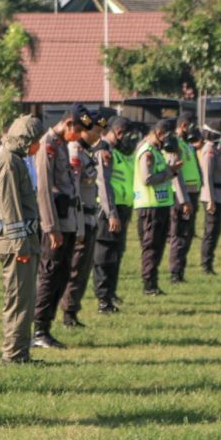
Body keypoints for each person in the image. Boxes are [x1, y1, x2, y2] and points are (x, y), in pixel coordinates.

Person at [32, 106, 89, 348]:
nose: (78, 136)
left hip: (67, 221)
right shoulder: (48, 144)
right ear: (68, 123)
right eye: (77, 130)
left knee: (63, 274)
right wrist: (51, 227)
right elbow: (44, 189)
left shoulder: (62, 144)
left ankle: (47, 325)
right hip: (54, 224)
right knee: (49, 275)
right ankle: (39, 329)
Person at [0, 115, 44, 364]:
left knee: (26, 298)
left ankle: (21, 352)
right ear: (25, 140)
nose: (38, 147)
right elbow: (11, 209)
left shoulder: (17, 160)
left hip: (24, 242)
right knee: (18, 299)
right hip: (16, 245)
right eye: (36, 141)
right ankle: (12, 354)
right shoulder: (8, 162)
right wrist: (21, 244)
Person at [60, 109, 106, 326]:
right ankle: (68, 312)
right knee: (75, 268)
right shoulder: (74, 151)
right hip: (81, 220)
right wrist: (78, 228)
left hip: (90, 218)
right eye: (94, 131)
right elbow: (75, 193)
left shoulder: (86, 152)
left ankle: (73, 310)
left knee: (84, 269)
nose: (97, 135)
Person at [133, 119, 184, 295]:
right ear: (160, 133)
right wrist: (169, 172)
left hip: (160, 205)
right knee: (151, 247)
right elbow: (147, 179)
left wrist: (170, 169)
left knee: (159, 246)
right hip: (150, 206)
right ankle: (149, 285)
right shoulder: (147, 152)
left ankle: (153, 282)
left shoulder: (156, 151)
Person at [92, 116, 134, 313]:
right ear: (118, 132)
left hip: (121, 208)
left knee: (115, 254)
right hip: (108, 210)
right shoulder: (104, 150)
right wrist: (112, 214)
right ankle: (103, 300)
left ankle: (110, 294)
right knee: (104, 255)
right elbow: (104, 184)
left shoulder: (117, 152)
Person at [167, 118, 202, 284]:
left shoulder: (186, 144)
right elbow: (176, 173)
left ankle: (180, 270)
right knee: (179, 235)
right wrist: (183, 199)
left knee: (187, 235)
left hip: (191, 194)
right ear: (184, 125)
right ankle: (175, 273)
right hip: (182, 195)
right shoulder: (175, 144)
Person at [197, 124, 221, 275]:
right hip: (213, 195)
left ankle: (209, 262)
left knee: (216, 230)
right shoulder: (209, 151)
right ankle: (206, 264)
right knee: (210, 231)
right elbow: (207, 177)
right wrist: (210, 199)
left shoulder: (219, 150)